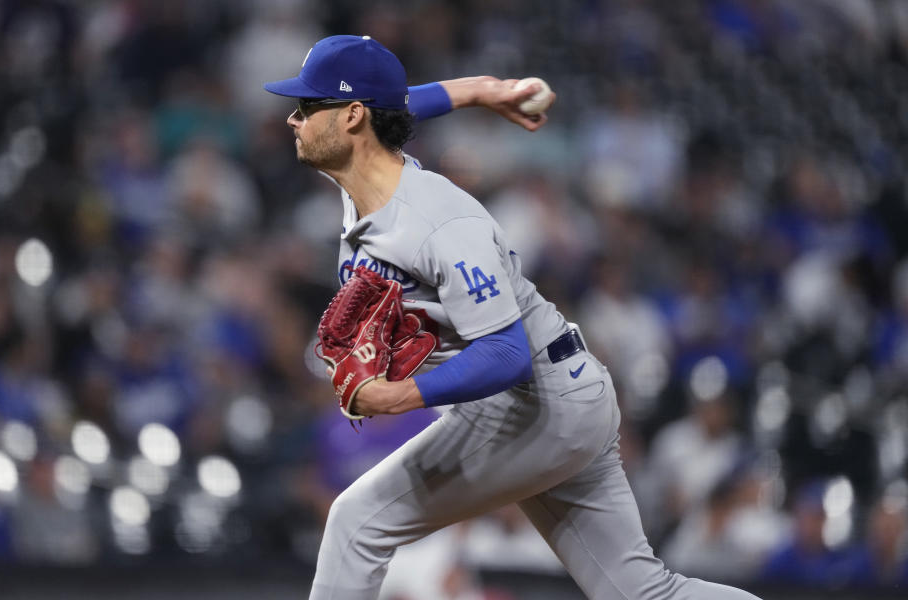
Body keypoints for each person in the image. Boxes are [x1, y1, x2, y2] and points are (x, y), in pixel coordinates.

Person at [263, 34, 762, 600]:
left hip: (535, 401)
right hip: (561, 395)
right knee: (641, 592)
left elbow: (506, 354)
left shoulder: (438, 223)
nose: (293, 118)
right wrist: (480, 90)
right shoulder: (371, 176)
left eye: (308, 106)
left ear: (352, 118)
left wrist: (396, 397)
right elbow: (398, 107)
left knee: (355, 524)